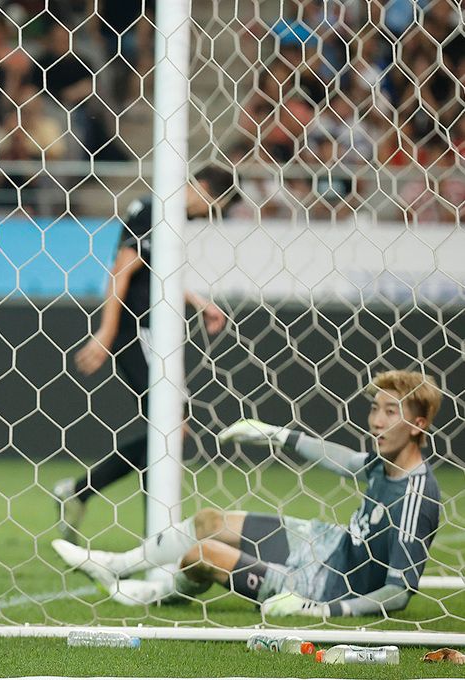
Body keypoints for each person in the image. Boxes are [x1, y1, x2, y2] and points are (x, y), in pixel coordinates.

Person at [52, 369, 443, 619]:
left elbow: (398, 592)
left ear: (417, 425)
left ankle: (158, 594)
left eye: (391, 412)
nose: (376, 421)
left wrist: (324, 609)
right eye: (375, 408)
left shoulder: (417, 497)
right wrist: (276, 434)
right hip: (325, 546)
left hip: (326, 587)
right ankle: (117, 565)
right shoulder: (382, 460)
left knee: (201, 554)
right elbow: (343, 460)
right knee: (208, 521)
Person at [54, 166, 239, 542]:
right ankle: (153, 534)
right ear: (204, 190)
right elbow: (122, 271)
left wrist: (199, 302)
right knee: (171, 428)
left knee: (168, 431)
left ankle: (80, 493)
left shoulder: (167, 215)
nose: (209, 214)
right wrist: (106, 334)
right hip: (137, 331)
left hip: (157, 333)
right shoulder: (154, 212)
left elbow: (159, 272)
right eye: (214, 205)